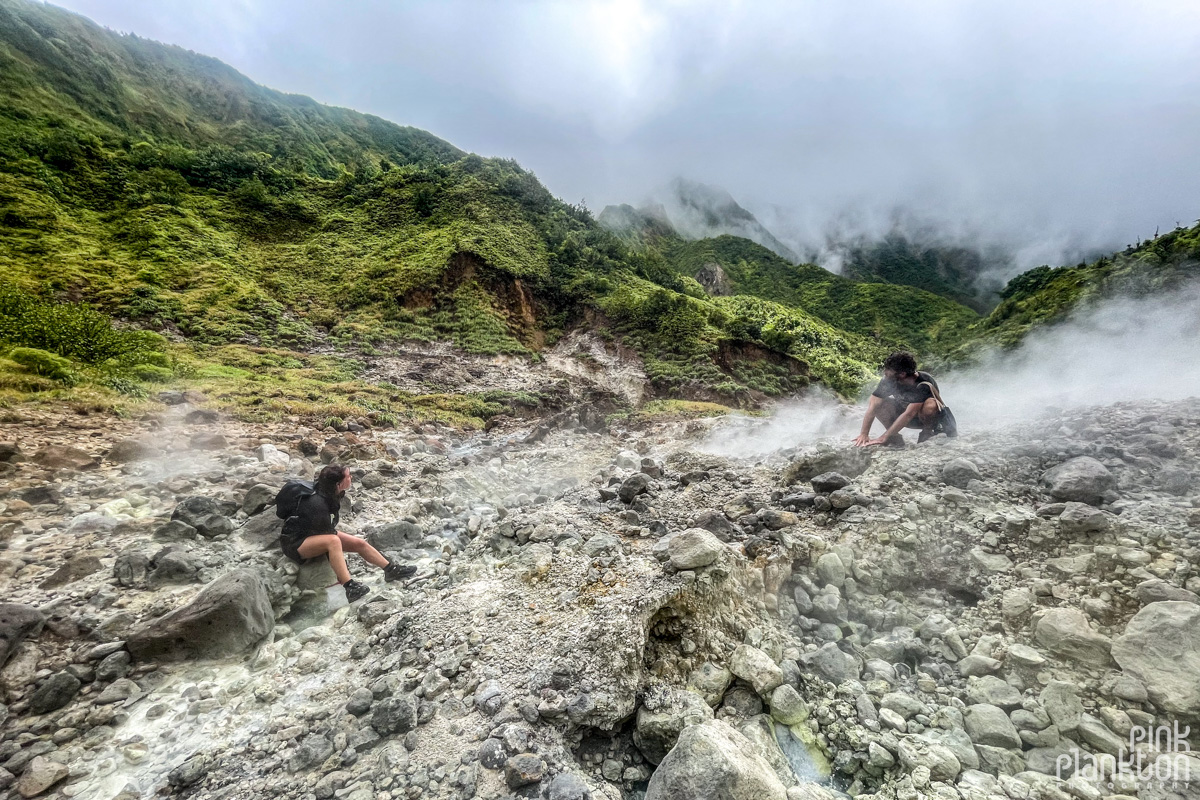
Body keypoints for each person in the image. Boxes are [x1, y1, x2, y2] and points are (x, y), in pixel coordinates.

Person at [280, 464, 415, 602]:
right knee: (333, 541)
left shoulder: (328, 491)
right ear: (339, 484)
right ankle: (349, 587)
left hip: (314, 533)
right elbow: (327, 534)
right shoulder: (317, 503)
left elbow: (326, 528)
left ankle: (391, 570)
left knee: (359, 543)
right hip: (295, 543)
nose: (351, 477)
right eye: (348, 476)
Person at [853, 351, 948, 447]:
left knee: (931, 404)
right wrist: (864, 434)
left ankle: (927, 432)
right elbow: (873, 405)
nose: (885, 372)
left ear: (902, 374)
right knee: (879, 404)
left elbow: (909, 414)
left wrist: (883, 437)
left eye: (888, 369)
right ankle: (894, 437)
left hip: (922, 419)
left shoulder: (923, 382)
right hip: (902, 415)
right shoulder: (888, 381)